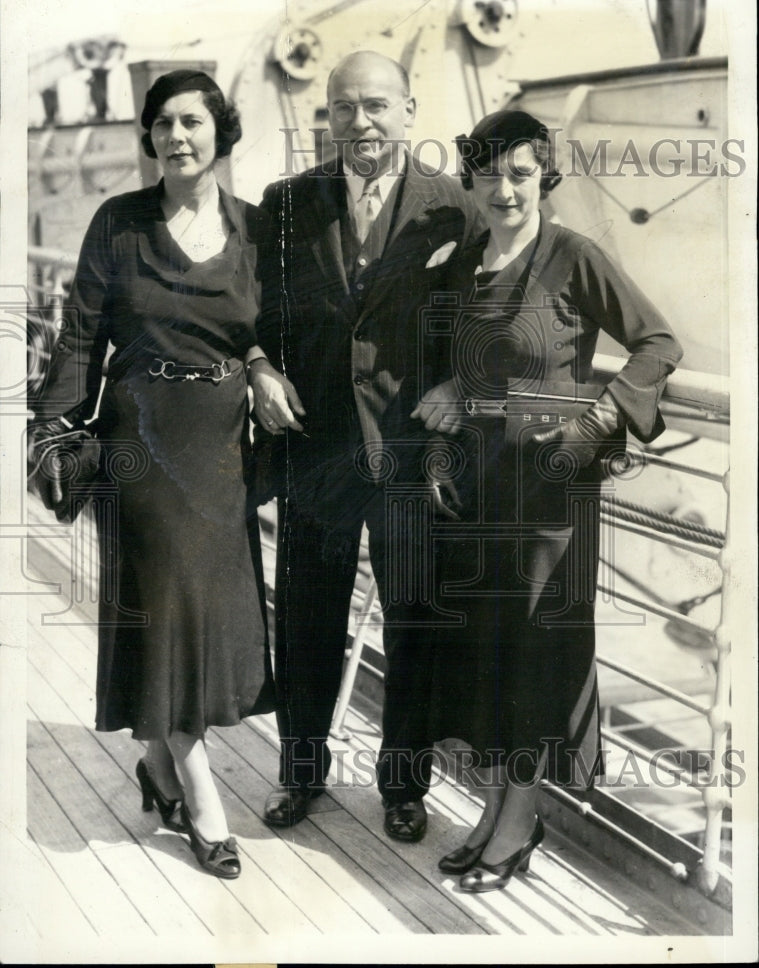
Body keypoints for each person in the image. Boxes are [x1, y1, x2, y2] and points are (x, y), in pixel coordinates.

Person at [413, 108, 683, 890]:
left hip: (551, 487)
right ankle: (497, 810)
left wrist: (599, 419)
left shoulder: (573, 255)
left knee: (534, 649)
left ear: (544, 178)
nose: (504, 189)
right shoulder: (464, 265)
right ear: (470, 178)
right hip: (478, 487)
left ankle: (519, 822)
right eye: (490, 173)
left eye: (521, 173)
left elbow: (657, 344)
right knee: (491, 648)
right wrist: (437, 440)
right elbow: (461, 372)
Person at [30, 70, 275, 880]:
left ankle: (159, 762)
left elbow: (265, 324)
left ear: (220, 132)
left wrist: (262, 362)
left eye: (193, 122)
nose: (177, 136)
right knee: (167, 602)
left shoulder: (254, 227)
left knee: (199, 613)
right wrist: (49, 427)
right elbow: (78, 336)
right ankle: (203, 801)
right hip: (140, 439)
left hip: (224, 448)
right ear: (149, 137)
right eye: (163, 123)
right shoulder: (119, 223)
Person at [250, 50, 482, 841]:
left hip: (410, 450)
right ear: (327, 117)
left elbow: (491, 309)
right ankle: (301, 775)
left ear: (409, 111)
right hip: (315, 445)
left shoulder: (454, 207)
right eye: (345, 108)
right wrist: (257, 368)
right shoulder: (285, 206)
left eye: (377, 106)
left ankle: (402, 786)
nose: (361, 123)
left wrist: (461, 383)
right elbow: (252, 314)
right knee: (307, 619)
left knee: (411, 621)